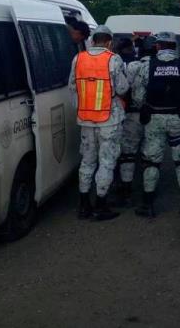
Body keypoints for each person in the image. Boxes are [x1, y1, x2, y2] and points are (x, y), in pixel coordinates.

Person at [131, 31, 180, 218]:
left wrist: (145, 107)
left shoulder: (146, 67)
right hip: (178, 118)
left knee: (151, 160)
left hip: (154, 118)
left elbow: (138, 97)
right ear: (174, 46)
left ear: (158, 46)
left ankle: (148, 204)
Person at [68, 24, 129, 221]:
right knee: (106, 161)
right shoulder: (113, 59)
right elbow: (122, 88)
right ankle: (100, 205)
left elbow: (72, 87)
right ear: (109, 42)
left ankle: (83, 204)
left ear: (92, 40)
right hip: (108, 120)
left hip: (86, 119)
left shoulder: (78, 58)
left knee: (87, 160)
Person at [116, 36, 156, 204]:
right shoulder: (162, 66)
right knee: (151, 156)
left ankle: (126, 192)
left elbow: (123, 88)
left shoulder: (133, 66)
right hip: (155, 116)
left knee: (128, 154)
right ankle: (149, 196)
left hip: (133, 115)